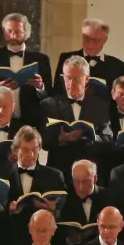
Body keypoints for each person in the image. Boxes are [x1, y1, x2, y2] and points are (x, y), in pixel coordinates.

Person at [38, 55, 111, 183]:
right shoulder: (49, 104)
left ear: (87, 79)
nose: (71, 83)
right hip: (59, 173)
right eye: (68, 78)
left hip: (89, 173)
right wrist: (61, 138)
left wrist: (91, 137)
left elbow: (107, 140)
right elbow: (43, 141)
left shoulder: (100, 106)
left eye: (77, 79)